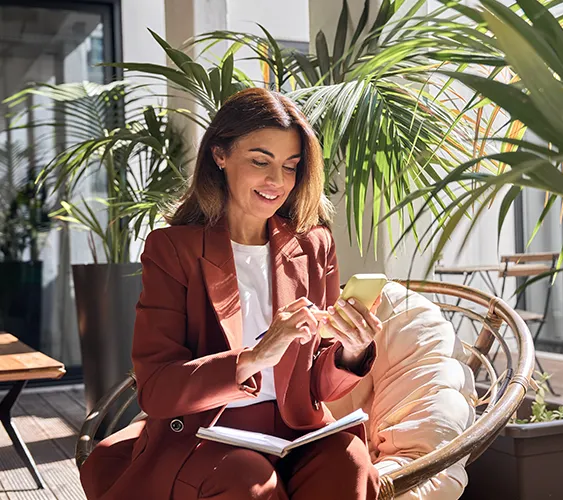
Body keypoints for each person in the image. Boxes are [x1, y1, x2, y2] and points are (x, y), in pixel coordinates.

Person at [79, 88, 382, 500]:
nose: (277, 182)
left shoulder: (314, 245)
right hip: (205, 433)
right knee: (248, 480)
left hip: (296, 429)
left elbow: (320, 386)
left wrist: (350, 352)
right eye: (260, 161)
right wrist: (253, 359)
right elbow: (156, 387)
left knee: (350, 461)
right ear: (220, 155)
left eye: (291, 167)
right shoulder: (173, 249)